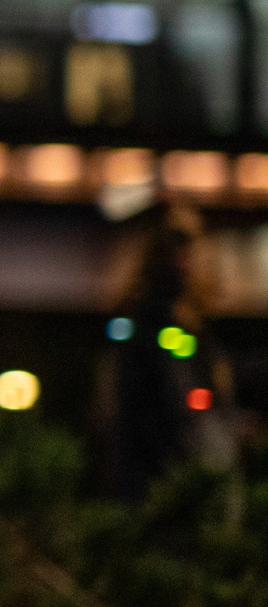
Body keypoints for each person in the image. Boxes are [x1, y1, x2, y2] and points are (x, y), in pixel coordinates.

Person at [95, 202, 237, 503]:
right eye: (185, 243)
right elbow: (162, 435)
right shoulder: (150, 335)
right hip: (166, 512)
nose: (206, 255)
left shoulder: (195, 339)